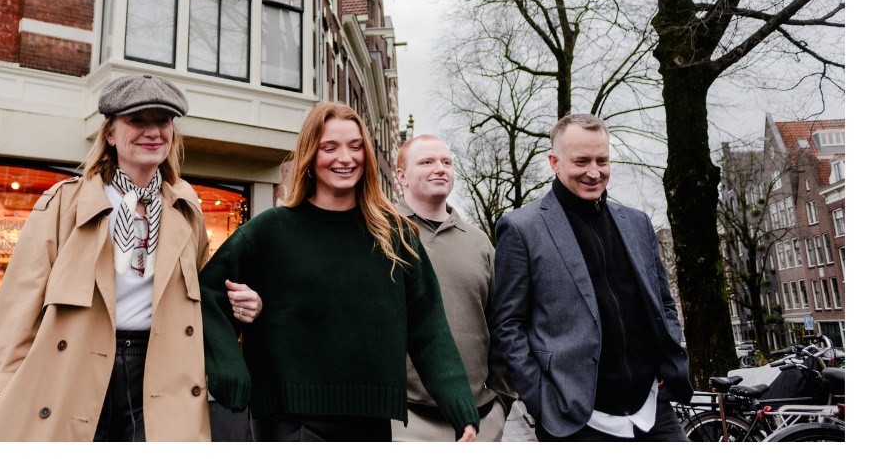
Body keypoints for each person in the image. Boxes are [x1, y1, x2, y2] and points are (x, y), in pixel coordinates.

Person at [0, 74, 261, 441]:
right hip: (73, 367)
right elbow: (16, 312)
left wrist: (247, 305)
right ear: (110, 134)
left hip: (160, 370)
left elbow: (201, 302)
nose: (153, 132)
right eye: (137, 120)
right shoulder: (63, 205)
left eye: (162, 121)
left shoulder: (186, 210)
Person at [200, 101, 480, 443]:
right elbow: (207, 291)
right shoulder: (270, 231)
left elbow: (429, 329)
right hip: (288, 419)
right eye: (329, 147)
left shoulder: (395, 235)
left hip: (372, 419)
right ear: (310, 156)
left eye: (355, 147)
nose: (345, 158)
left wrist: (460, 407)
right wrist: (229, 370)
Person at [491, 113, 693, 443]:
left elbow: (663, 303)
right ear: (554, 162)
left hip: (653, 410)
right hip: (577, 421)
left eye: (602, 160)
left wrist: (664, 365)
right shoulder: (521, 229)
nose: (594, 171)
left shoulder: (637, 223)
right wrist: (542, 401)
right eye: (582, 161)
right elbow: (508, 325)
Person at [392, 135, 515, 442]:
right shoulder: (381, 235)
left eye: (446, 162)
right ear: (401, 175)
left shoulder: (479, 243)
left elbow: (502, 324)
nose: (440, 169)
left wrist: (502, 400)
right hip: (406, 420)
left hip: (481, 419)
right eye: (427, 162)